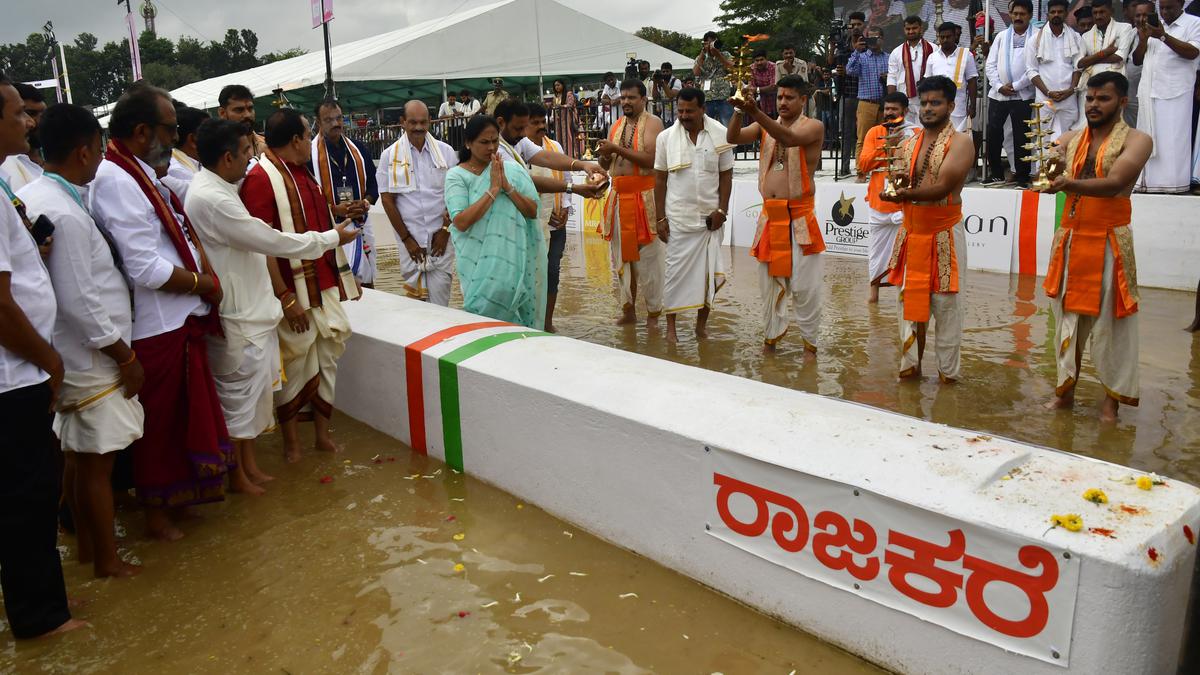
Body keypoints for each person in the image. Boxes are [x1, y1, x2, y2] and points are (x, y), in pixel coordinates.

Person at [89, 83, 230, 541]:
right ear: (142, 130)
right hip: (156, 322)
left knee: (184, 419)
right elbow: (144, 266)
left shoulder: (143, 171)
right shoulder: (115, 178)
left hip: (178, 315)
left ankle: (182, 499)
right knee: (161, 427)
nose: (176, 138)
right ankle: (156, 514)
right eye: (170, 129)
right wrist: (203, 283)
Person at [187, 119, 358, 492]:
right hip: (249, 307)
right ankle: (244, 472)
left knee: (261, 391)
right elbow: (268, 240)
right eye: (248, 150)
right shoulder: (238, 187)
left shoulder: (232, 186)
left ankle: (248, 468)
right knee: (246, 396)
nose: (253, 156)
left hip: (265, 302)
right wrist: (328, 242)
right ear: (229, 156)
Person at [18, 104, 143, 578]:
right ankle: (108, 560)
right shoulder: (61, 210)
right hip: (91, 355)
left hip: (78, 350)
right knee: (96, 463)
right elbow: (77, 299)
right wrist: (124, 355)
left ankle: (90, 550)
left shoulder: (47, 195)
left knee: (77, 455)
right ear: (85, 151)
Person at [0, 74, 86, 639]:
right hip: (14, 375)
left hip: (19, 368)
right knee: (27, 495)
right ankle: (41, 619)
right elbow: (1, 303)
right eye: (15, 114)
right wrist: (49, 360)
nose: (27, 122)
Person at [240, 108, 361, 464]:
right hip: (290, 290)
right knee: (296, 365)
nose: (311, 141)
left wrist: (342, 279)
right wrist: (285, 296)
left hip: (321, 283)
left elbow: (316, 224)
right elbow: (261, 245)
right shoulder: (262, 178)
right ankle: (292, 445)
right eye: (309, 134)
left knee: (327, 359)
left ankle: (322, 437)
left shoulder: (300, 171)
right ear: (296, 140)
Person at [1042, 72, 1151, 420]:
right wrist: (1049, 161)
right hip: (1072, 236)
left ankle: (1111, 403)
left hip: (1110, 240)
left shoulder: (1138, 140)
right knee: (1066, 321)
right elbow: (1049, 159)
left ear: (1122, 102)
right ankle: (1065, 392)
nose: (1093, 105)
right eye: (1089, 98)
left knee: (1114, 323)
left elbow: (1116, 181)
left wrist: (1066, 182)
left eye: (1102, 98)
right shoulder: (1071, 137)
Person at [881, 75, 973, 383]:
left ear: (951, 105)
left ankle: (949, 380)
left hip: (944, 233)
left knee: (947, 309)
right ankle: (910, 373)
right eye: (925, 103)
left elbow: (943, 186)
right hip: (911, 233)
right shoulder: (909, 143)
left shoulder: (962, 143)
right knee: (909, 306)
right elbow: (900, 180)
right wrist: (891, 192)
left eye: (936, 103)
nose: (929, 109)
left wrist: (903, 195)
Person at [728, 76, 827, 353]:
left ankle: (810, 349)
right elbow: (732, 138)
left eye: (789, 97)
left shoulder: (814, 126)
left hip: (800, 218)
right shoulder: (763, 125)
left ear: (803, 100)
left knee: (805, 289)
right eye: (780, 97)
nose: (783, 102)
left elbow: (789, 138)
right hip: (770, 218)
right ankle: (770, 342)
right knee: (768, 285)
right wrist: (739, 109)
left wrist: (754, 111)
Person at [444, 115, 544, 328]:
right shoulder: (456, 176)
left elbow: (532, 211)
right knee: (484, 326)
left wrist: (507, 187)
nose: (491, 148)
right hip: (478, 268)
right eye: (484, 142)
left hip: (514, 267)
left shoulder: (512, 170)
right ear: (468, 143)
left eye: (495, 141)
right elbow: (460, 221)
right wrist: (493, 190)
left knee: (519, 332)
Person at [653, 88, 734, 344]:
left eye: (689, 111)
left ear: (703, 109)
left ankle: (701, 328)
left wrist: (722, 210)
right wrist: (660, 218)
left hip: (710, 221)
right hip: (678, 219)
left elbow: (726, 175)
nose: (684, 116)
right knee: (674, 276)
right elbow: (660, 178)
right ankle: (671, 329)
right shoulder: (665, 138)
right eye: (680, 111)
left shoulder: (721, 134)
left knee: (708, 277)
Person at [597, 80, 667, 327]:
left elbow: (650, 160)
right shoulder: (616, 125)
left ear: (643, 99)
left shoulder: (654, 122)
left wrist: (615, 148)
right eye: (623, 98)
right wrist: (605, 156)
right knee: (621, 258)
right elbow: (606, 166)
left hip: (645, 198)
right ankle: (628, 311)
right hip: (618, 198)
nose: (625, 102)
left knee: (650, 260)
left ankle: (653, 315)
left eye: (631, 98)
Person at [378, 100, 459, 307]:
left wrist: (445, 231)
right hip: (410, 243)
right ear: (402, 122)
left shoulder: (446, 152)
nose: (418, 127)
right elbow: (388, 201)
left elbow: (455, 195)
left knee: (441, 304)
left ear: (430, 121)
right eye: (412, 122)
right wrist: (407, 240)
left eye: (423, 122)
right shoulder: (389, 155)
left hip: (441, 241)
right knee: (417, 307)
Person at [1133, 0, 1200, 193]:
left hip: (1175, 92)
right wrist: (1144, 39)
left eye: (1169, 7)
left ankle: (1172, 185)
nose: (1164, 12)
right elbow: (1137, 60)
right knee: (1148, 139)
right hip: (1149, 91)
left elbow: (1193, 52)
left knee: (1172, 142)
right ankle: (1148, 184)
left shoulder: (1193, 23)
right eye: (1161, 8)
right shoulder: (1153, 26)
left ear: (1181, 4)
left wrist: (1162, 36)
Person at [858, 92, 919, 303]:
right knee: (876, 254)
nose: (889, 113)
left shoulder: (916, 133)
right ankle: (873, 296)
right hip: (878, 204)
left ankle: (903, 296)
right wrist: (887, 146)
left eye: (894, 109)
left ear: (905, 110)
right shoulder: (875, 132)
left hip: (904, 205)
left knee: (908, 253)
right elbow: (863, 164)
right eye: (887, 109)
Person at [311, 98, 378, 286]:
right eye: (329, 120)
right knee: (338, 284)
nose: (336, 124)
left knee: (366, 282)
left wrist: (365, 203)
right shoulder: (310, 155)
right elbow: (308, 199)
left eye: (339, 118)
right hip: (329, 227)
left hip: (360, 222)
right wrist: (334, 209)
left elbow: (373, 186)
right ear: (318, 122)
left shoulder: (358, 148)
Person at [492, 99, 607, 197]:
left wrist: (583, 165)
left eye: (524, 127)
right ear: (501, 123)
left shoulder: (517, 139)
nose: (523, 134)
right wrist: (573, 188)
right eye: (518, 128)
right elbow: (527, 180)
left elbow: (545, 157)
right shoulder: (494, 149)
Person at [526, 103, 572, 332]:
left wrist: (565, 210)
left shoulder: (555, 146)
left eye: (543, 121)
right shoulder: (517, 152)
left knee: (551, 271)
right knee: (529, 273)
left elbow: (566, 179)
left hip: (555, 226)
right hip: (528, 226)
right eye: (534, 123)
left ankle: (547, 322)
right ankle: (528, 322)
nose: (541, 127)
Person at [983, 0, 1037, 187]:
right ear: (1010, 14)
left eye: (1022, 14)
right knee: (993, 133)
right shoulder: (1001, 36)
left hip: (1023, 95)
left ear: (1030, 15)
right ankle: (996, 173)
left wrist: (1016, 85)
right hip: (999, 94)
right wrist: (999, 86)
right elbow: (990, 65)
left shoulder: (1037, 36)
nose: (1018, 17)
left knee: (1022, 135)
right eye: (1015, 14)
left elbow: (1035, 67)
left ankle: (1022, 176)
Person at [1027, 0, 1085, 142]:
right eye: (1053, 12)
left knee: (1069, 140)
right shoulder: (1035, 40)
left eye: (1059, 12)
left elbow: (1078, 67)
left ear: (1066, 13)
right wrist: (1048, 92)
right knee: (1042, 140)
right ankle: (1045, 166)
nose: (1056, 15)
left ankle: (1066, 165)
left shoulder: (1076, 38)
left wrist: (1071, 90)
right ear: (1047, 15)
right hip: (1045, 99)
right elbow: (1031, 71)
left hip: (1069, 98)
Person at [1076, 0, 1137, 129]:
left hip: (1114, 84)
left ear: (1111, 11)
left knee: (1113, 123)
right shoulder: (1086, 36)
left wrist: (1091, 58)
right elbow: (1080, 63)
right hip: (1090, 85)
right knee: (1088, 124)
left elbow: (1120, 56)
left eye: (1102, 12)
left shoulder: (1124, 28)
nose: (1098, 16)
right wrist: (1105, 52)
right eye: (1095, 13)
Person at [847, 28, 892, 178]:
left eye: (876, 38)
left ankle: (881, 170)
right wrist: (856, 51)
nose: (873, 41)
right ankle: (861, 171)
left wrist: (888, 77)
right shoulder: (861, 57)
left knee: (883, 139)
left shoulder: (889, 57)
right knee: (862, 139)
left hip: (884, 104)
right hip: (866, 103)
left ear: (882, 39)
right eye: (870, 38)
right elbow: (850, 71)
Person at [925, 21, 979, 133]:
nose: (945, 40)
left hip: (958, 109)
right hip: (937, 108)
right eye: (942, 37)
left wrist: (973, 106)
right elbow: (927, 83)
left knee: (957, 141)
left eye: (948, 37)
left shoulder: (966, 55)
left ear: (955, 36)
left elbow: (972, 81)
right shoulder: (932, 57)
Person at [831, 12, 867, 175]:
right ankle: (844, 168)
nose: (855, 28)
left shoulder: (868, 44)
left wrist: (848, 70)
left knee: (864, 133)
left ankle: (864, 166)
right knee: (846, 133)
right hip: (847, 93)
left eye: (859, 24)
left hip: (865, 94)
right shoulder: (843, 45)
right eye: (852, 25)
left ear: (864, 25)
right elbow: (833, 62)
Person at [888, 16, 936, 128]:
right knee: (905, 133)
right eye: (908, 29)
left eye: (914, 28)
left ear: (921, 28)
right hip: (904, 100)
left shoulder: (933, 49)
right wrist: (892, 101)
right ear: (904, 30)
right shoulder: (896, 52)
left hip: (926, 99)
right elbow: (892, 77)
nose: (911, 31)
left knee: (925, 131)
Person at [0, 83, 46, 191]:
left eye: (44, 114)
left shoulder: (58, 155)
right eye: (20, 112)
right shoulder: (6, 166)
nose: (34, 123)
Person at [163, 105, 208, 200]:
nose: (218, 139)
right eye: (211, 133)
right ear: (193, 140)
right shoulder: (176, 170)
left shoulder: (197, 164)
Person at [694, 31, 735, 124]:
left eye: (714, 42)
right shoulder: (701, 57)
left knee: (728, 126)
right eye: (709, 43)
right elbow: (696, 72)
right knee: (706, 127)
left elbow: (733, 69)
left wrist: (719, 55)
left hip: (724, 97)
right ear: (704, 43)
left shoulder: (725, 54)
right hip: (707, 98)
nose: (712, 45)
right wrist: (702, 54)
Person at [217, 84, 266, 156]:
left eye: (250, 108)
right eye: (239, 110)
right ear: (222, 113)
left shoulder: (268, 146)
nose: (247, 115)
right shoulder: (216, 151)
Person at [751, 50, 778, 117]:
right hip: (758, 103)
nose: (759, 62)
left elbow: (773, 86)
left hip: (773, 100)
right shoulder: (751, 68)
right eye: (757, 60)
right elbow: (751, 87)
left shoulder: (773, 67)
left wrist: (757, 90)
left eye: (761, 60)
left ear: (766, 59)